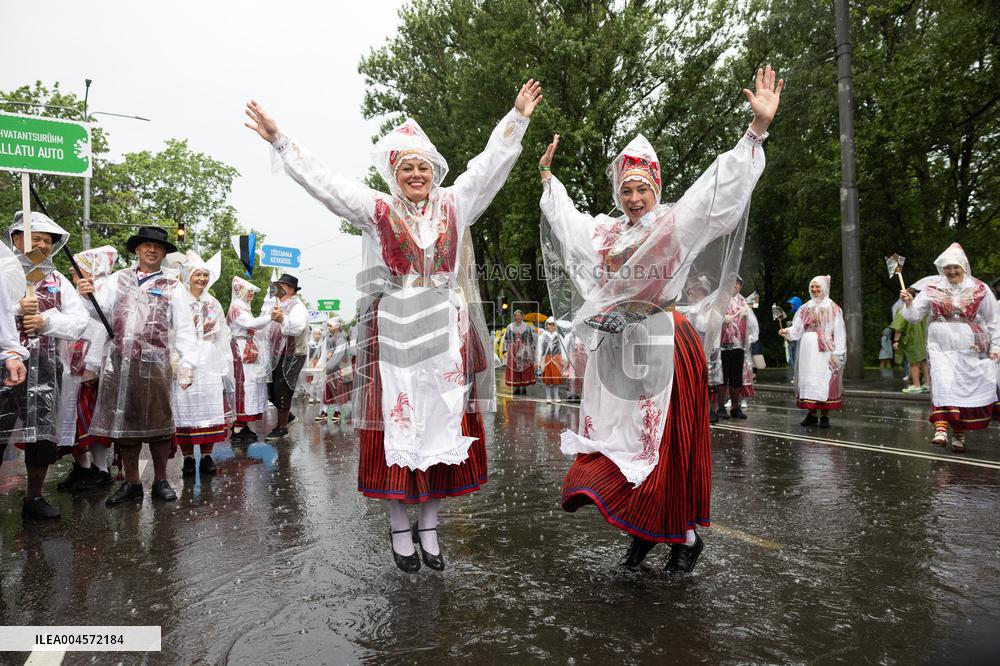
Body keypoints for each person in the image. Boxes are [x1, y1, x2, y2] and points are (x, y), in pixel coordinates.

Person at [245, 78, 542, 572]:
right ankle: (399, 528)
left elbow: (488, 168)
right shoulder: (377, 209)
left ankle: (430, 526)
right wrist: (281, 139)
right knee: (398, 426)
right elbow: (327, 183)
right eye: (407, 167)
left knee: (442, 426)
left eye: (424, 166)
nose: (417, 174)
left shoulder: (454, 203)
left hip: (446, 332)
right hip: (397, 331)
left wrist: (515, 119)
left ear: (435, 171)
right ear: (394, 173)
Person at [539, 66, 782, 573]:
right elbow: (569, 226)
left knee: (664, 445)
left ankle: (684, 536)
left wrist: (755, 131)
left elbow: (718, 192)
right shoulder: (606, 234)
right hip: (620, 352)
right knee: (623, 445)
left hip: (664, 345)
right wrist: (548, 181)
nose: (633, 199)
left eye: (641, 189)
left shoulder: (674, 223)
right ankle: (645, 529)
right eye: (625, 190)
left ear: (656, 188)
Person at [79, 225, 198, 506]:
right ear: (137, 249)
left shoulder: (173, 286)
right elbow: (98, 313)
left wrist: (188, 363)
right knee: (124, 423)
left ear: (164, 253)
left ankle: (160, 480)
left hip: (156, 365)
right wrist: (86, 296)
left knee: (159, 424)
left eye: (158, 247)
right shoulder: (117, 280)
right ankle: (131, 482)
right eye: (146, 245)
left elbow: (183, 328)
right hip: (120, 363)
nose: (152, 250)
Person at [0, 212, 90, 519]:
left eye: (48, 241)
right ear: (15, 239)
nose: (42, 245)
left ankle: (34, 498)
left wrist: (47, 321)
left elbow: (79, 321)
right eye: (35, 238)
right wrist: (14, 308)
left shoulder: (57, 280)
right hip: (5, 365)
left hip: (46, 366)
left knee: (41, 435)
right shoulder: (3, 271)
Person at [900, 243, 1000, 452]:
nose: (952, 271)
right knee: (943, 382)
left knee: (963, 389)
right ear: (941, 269)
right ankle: (941, 428)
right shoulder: (932, 288)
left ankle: (960, 434)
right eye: (947, 268)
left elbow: (993, 320)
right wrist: (908, 303)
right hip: (939, 345)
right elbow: (914, 316)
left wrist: (996, 345)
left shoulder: (980, 288)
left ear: (964, 266)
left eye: (956, 267)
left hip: (970, 347)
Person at [56, 246, 118, 492]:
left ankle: (101, 470)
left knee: (92, 419)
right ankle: (81, 466)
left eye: (78, 265)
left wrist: (93, 365)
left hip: (90, 366)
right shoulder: (78, 290)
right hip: (71, 367)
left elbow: (101, 328)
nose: (72, 269)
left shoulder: (102, 290)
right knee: (72, 417)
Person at [173, 251, 234, 478]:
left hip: (209, 359)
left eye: (205, 275)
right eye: (197, 275)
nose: (201, 279)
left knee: (209, 408)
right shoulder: (178, 300)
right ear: (188, 276)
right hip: (184, 358)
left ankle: (207, 456)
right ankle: (188, 459)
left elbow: (223, 334)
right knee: (184, 406)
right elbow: (171, 331)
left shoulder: (212, 302)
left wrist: (225, 362)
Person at [779, 276, 846, 428]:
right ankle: (811, 413)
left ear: (824, 288)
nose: (815, 290)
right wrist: (787, 331)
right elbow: (798, 328)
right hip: (808, 350)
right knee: (809, 380)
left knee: (824, 378)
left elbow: (839, 332)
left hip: (825, 349)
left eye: (818, 287)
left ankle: (824, 415)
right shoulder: (805, 307)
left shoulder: (833, 308)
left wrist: (837, 353)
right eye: (812, 287)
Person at [261, 274, 308, 440]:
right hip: (276, 355)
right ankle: (287, 417)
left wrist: (282, 319)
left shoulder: (298, 306)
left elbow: (297, 328)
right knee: (270, 389)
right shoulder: (277, 304)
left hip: (292, 354)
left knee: (283, 389)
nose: (276, 288)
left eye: (279, 285)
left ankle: (282, 428)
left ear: (289, 289)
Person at [227, 276, 272, 443]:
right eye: (249, 291)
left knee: (249, 385)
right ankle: (238, 426)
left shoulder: (243, 306)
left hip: (245, 347)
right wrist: (270, 317)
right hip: (239, 350)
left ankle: (243, 425)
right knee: (243, 385)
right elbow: (250, 323)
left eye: (252, 291)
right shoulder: (237, 307)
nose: (251, 294)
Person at [717, 278, 758, 420]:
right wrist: (721, 319)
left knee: (736, 379)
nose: (733, 286)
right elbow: (708, 322)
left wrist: (747, 341)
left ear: (740, 286)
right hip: (721, 347)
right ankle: (720, 407)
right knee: (722, 378)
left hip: (738, 347)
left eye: (736, 284)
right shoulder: (719, 301)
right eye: (730, 283)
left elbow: (754, 328)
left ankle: (736, 407)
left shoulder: (744, 304)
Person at [890, 287, 929, 393]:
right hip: (923, 338)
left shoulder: (904, 308)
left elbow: (899, 326)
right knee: (924, 361)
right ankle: (927, 384)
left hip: (911, 338)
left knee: (913, 362)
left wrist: (896, 341)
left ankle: (916, 385)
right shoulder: (922, 308)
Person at [320, 316, 354, 423]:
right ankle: (325, 412)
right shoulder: (332, 336)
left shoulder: (341, 338)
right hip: (335, 369)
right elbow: (331, 352)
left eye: (330, 325)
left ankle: (337, 412)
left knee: (339, 391)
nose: (328, 327)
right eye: (328, 326)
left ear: (337, 326)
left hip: (340, 369)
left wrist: (327, 365)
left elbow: (338, 355)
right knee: (329, 390)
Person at [502, 310, 537, 395]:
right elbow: (505, 339)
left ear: (522, 316)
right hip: (513, 350)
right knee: (515, 368)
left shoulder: (527, 327)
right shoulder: (509, 327)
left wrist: (531, 350)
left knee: (524, 368)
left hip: (524, 349)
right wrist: (505, 351)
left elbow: (532, 339)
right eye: (516, 316)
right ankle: (517, 387)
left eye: (519, 315)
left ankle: (524, 387)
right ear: (514, 317)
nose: (518, 317)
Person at [536, 317, 567, 403]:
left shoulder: (559, 336)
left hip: (557, 359)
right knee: (548, 379)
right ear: (546, 325)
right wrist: (539, 361)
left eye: (553, 324)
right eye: (550, 324)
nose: (551, 326)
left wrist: (564, 359)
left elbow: (563, 348)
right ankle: (548, 396)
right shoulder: (542, 336)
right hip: (547, 359)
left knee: (556, 379)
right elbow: (539, 350)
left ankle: (556, 396)